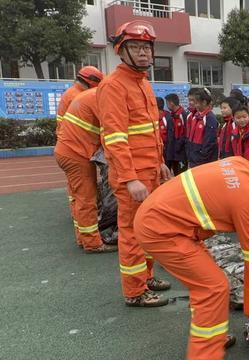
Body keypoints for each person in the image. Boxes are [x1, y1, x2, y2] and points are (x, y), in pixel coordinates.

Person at [134, 157, 249, 359]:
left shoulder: (244, 167)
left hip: (162, 218)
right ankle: (205, 354)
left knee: (207, 283)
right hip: (162, 231)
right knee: (213, 288)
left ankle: (213, 336)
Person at [97, 20, 172, 306]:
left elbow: (150, 130)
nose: (143, 53)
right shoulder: (113, 86)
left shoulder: (142, 83)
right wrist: (130, 179)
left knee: (150, 227)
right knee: (131, 232)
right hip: (134, 178)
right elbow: (115, 139)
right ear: (121, 50)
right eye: (136, 47)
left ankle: (147, 276)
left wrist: (161, 162)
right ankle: (135, 291)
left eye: (146, 47)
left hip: (151, 171)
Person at [55, 87, 117, 253]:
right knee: (86, 199)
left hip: (69, 151)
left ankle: (83, 237)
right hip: (76, 154)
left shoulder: (87, 96)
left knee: (78, 198)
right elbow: (110, 131)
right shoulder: (101, 99)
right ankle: (92, 243)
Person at [56, 66, 104, 136]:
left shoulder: (72, 92)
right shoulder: (79, 96)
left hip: (66, 135)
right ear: (91, 83)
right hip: (74, 137)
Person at [187, 88, 218, 167]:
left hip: (202, 160)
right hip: (193, 157)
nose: (195, 105)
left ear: (204, 102)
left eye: (197, 103)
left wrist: (201, 158)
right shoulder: (196, 116)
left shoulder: (210, 118)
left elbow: (209, 142)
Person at [164, 93, 189, 175]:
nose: (167, 106)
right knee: (174, 174)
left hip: (181, 153)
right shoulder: (171, 115)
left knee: (181, 175)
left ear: (171, 103)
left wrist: (178, 147)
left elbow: (185, 134)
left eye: (167, 103)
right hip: (173, 152)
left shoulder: (183, 115)